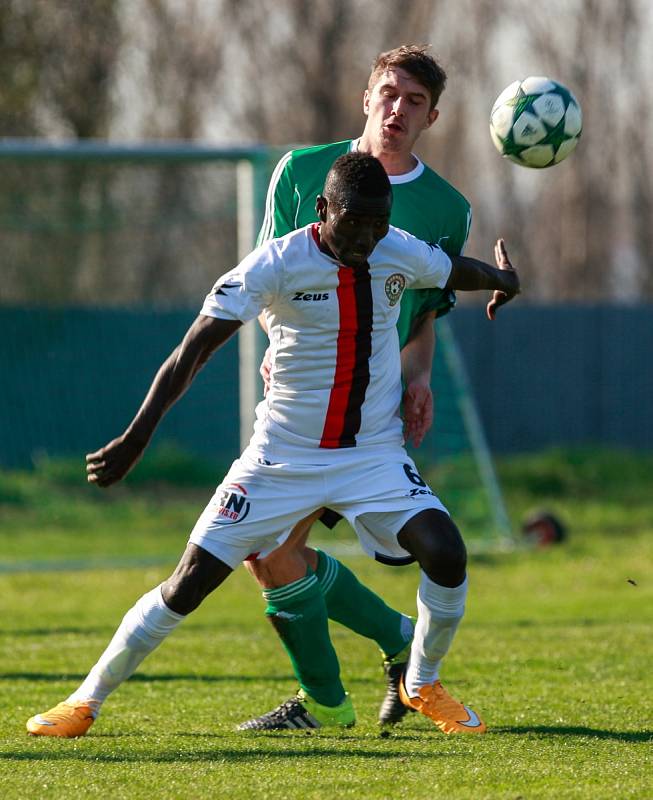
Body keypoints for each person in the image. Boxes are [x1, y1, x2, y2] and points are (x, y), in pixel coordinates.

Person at [26, 152, 519, 738]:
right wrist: (137, 438)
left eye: (378, 221)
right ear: (321, 209)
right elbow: (192, 351)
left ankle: (421, 682)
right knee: (189, 582)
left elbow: (450, 269)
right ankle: (84, 703)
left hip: (373, 455)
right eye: (353, 220)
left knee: (446, 551)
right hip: (281, 458)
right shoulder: (276, 264)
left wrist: (502, 281)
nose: (366, 235)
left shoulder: (397, 247)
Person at [239, 45, 483, 731]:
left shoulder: (445, 207)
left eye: (412, 100)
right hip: (299, 401)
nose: (396, 109)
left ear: (431, 115)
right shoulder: (300, 171)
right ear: (366, 96)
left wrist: (420, 378)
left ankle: (327, 702)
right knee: (269, 554)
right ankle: (394, 646)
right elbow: (267, 277)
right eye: (387, 92)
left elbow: (423, 312)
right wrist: (275, 343)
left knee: (272, 552)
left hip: (369, 415)